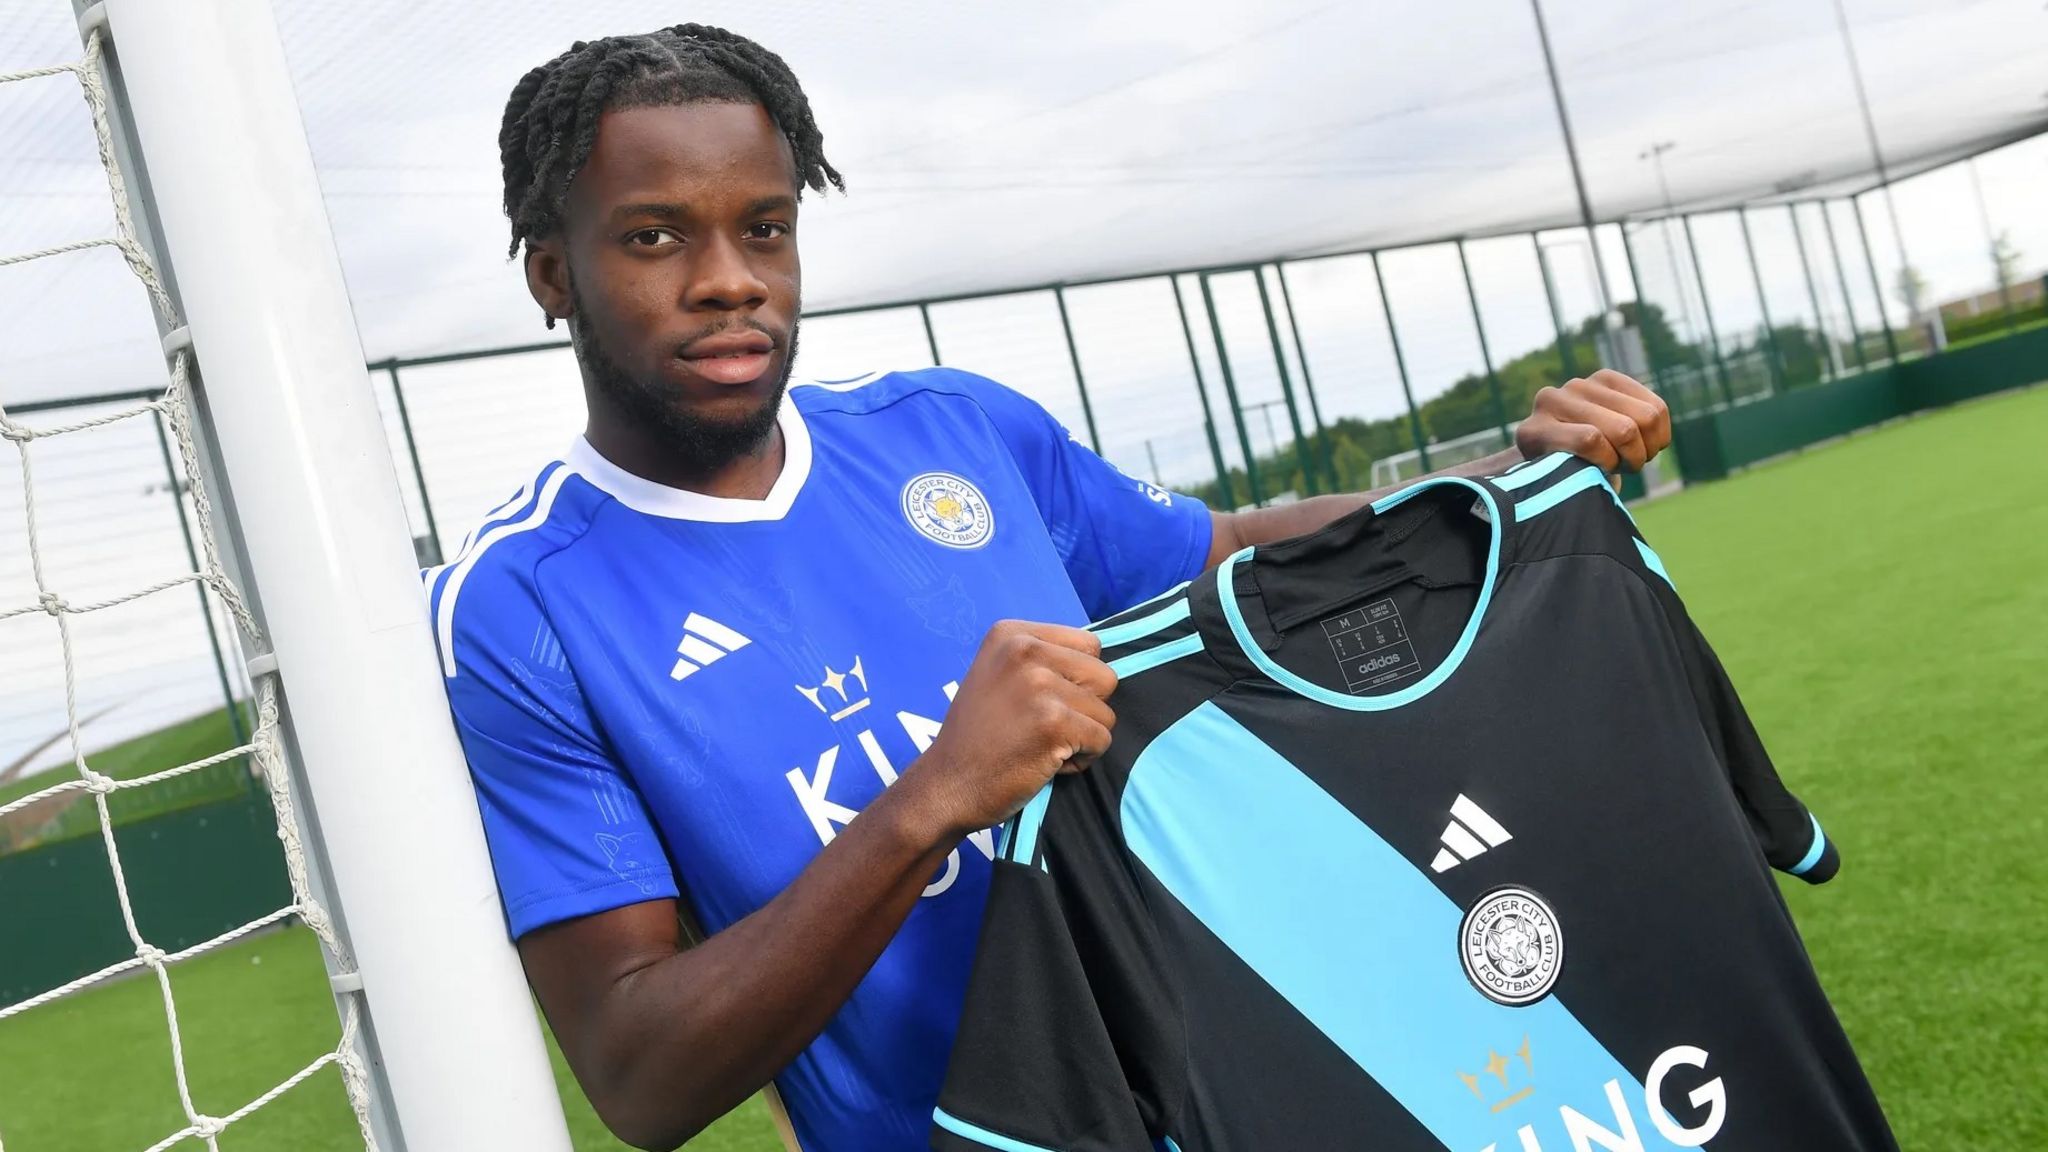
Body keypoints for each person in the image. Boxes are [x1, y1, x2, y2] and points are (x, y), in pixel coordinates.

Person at [430, 24, 1670, 1152]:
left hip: (1260, 1085)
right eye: (654, 236)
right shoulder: (520, 609)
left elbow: (1226, 546)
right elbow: (639, 1076)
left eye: (764, 227)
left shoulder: (956, 435)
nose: (729, 279)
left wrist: (1505, 474)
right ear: (551, 275)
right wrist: (931, 801)